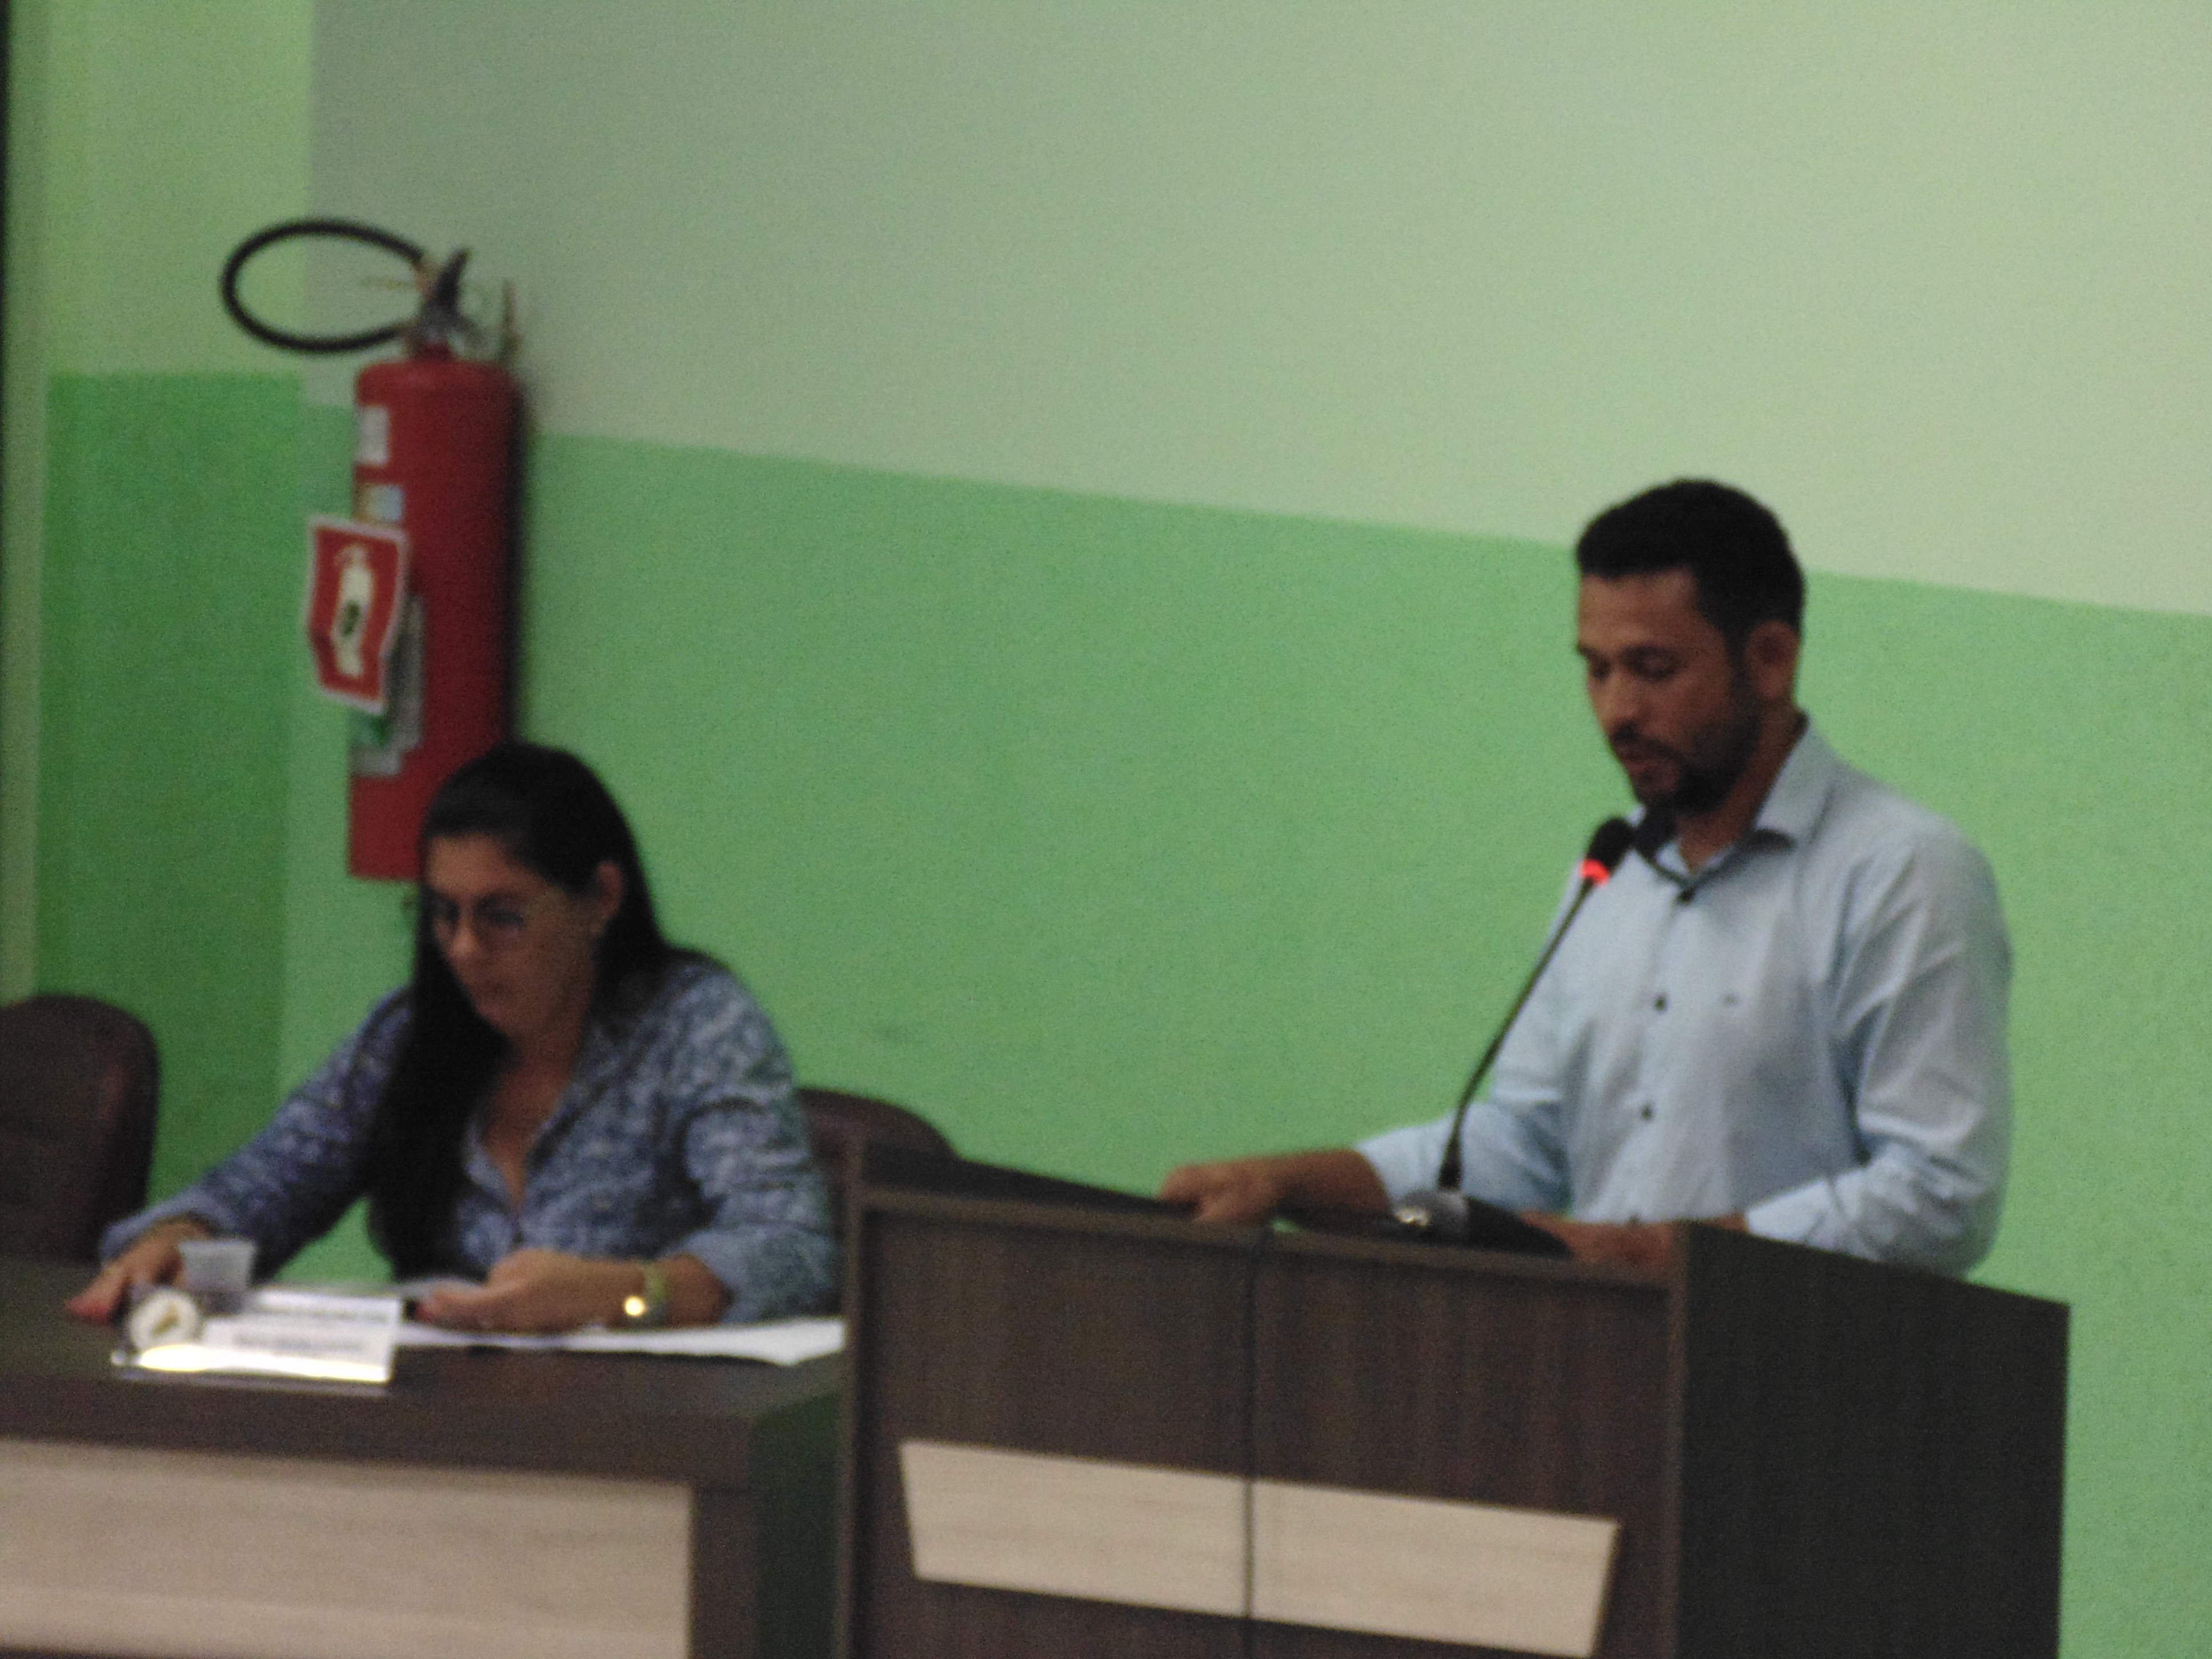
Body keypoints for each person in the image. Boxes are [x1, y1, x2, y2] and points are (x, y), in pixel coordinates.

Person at [1161, 480, 2010, 1275]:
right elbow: (1523, 1144)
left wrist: (1656, 1254)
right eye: (1597, 669)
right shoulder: (1611, 875)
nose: (1617, 713)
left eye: (1653, 669)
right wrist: (1284, 1185)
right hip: (1600, 1361)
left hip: (1799, 1368)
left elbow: (1943, 1194)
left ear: (1769, 659)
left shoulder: (1900, 872)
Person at [71, 742, 836, 1331]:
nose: (465, 949)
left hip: (644, 1428)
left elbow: (791, 1246)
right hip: (442, 1415)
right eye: (443, 914)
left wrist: (624, 1293)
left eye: (503, 916)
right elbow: (266, 1184)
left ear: (601, 898)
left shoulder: (696, 1025)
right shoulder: (411, 1035)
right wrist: (184, 1234)